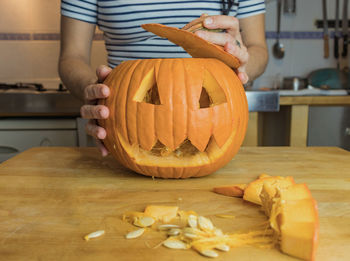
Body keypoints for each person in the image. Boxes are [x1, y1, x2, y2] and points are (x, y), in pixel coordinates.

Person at [59, 0, 268, 156]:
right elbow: (72, 57)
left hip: (213, 120)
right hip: (124, 118)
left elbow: (258, 49)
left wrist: (240, 60)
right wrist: (95, 92)